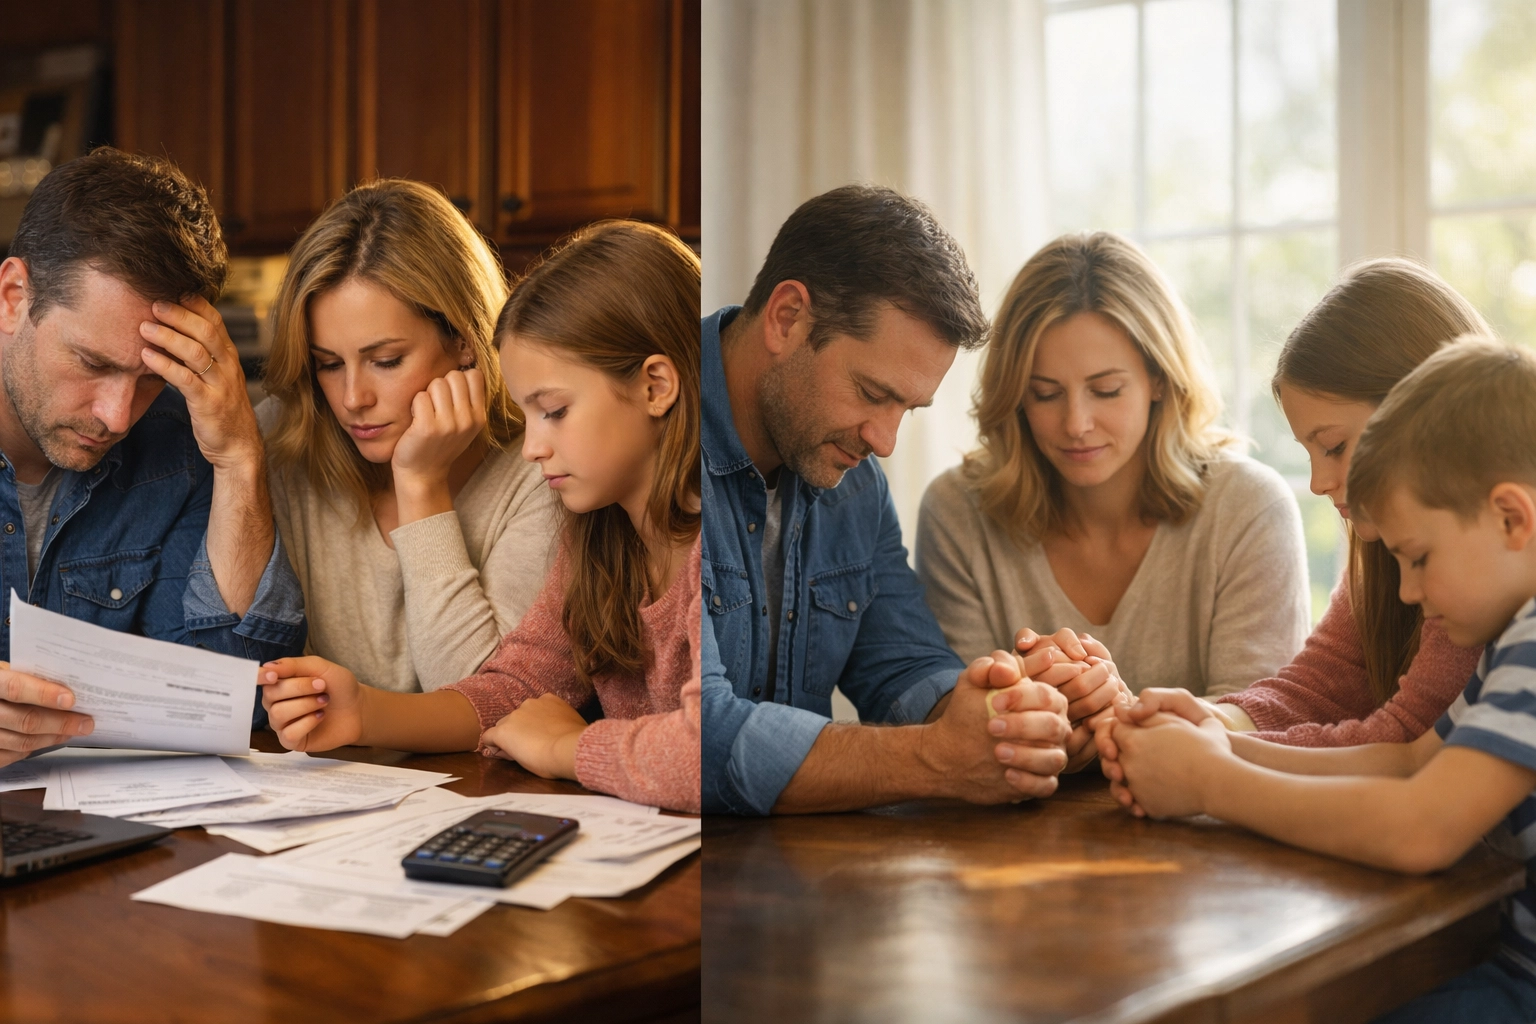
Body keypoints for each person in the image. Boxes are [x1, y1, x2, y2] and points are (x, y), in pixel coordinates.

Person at [1097, 338, 1536, 1023]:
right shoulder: (1510, 636)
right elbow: (1408, 761)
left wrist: (1211, 783)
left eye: (1418, 559)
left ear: (1512, 518)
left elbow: (1422, 830)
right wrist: (1216, 737)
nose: (1412, 593)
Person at [259, 221, 701, 812]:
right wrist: (363, 711)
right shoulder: (601, 529)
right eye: (327, 364)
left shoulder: (721, 539)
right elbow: (514, 690)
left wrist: (571, 748)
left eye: (554, 411)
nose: (531, 446)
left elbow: (711, 750)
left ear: (656, 387)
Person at [702, 184, 1113, 816]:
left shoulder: (851, 474)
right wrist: (936, 760)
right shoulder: (655, 427)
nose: (885, 441)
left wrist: (1010, 712)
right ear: (787, 317)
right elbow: (696, 735)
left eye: (908, 409)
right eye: (872, 392)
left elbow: (903, 667)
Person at [0, 147, 306, 765]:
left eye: (149, 378)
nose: (116, 415)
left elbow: (230, 700)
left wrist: (239, 458)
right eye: (92, 363)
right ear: (13, 297)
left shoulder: (180, 441)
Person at [916, 232, 1308, 706]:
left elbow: (1255, 732)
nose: (1076, 424)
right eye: (1045, 393)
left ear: (1159, 379)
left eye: (1105, 390)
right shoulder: (957, 511)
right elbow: (965, 728)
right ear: (1016, 396)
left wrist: (1106, 718)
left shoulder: (1249, 508)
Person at [259, 179, 560, 694]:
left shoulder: (544, 470)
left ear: (464, 341)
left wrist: (420, 484)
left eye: (386, 361)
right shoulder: (283, 438)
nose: (353, 397)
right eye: (328, 364)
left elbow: (482, 702)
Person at [1206, 259, 1488, 744]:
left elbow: (1404, 742)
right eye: (1310, 452)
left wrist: (1210, 754)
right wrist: (1198, 721)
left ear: (1419, 411)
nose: (1318, 482)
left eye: (1334, 446)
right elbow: (1320, 683)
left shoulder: (1481, 561)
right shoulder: (1381, 556)